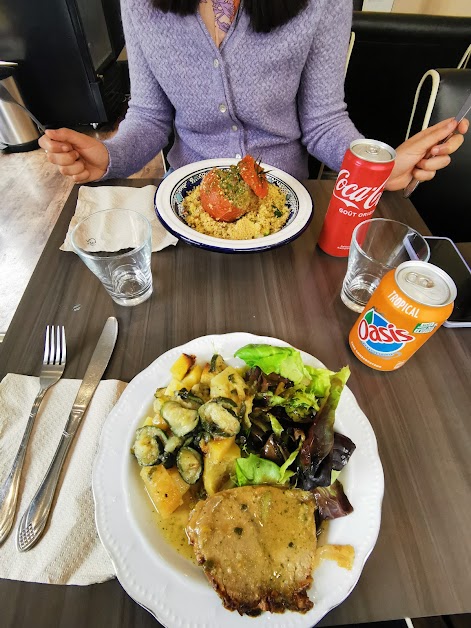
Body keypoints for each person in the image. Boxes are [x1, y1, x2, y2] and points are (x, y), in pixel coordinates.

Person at [39, 0, 468, 192]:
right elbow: (150, 116)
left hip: (285, 195)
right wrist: (110, 157)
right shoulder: (139, 3)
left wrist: (374, 165)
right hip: (189, 196)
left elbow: (323, 121)